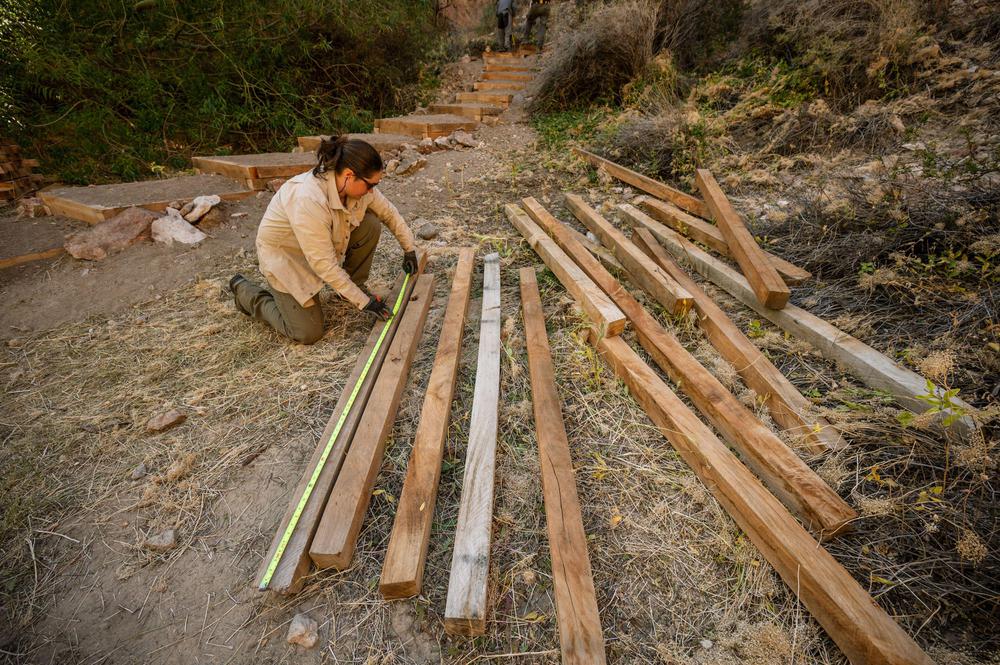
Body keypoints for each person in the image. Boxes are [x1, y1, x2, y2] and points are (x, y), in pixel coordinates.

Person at [229, 135, 417, 344]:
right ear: (348, 175)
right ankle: (245, 292)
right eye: (370, 185)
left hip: (318, 247)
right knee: (307, 332)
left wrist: (409, 249)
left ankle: (351, 288)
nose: (372, 190)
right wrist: (365, 303)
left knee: (370, 225)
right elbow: (324, 264)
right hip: (288, 258)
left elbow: (389, 213)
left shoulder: (358, 187)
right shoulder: (308, 198)